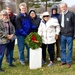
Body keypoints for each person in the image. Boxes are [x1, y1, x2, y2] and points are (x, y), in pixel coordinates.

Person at [59, 3, 75, 68]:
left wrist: (74, 34)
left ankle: (68, 62)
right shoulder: (60, 16)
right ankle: (63, 61)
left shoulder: (71, 14)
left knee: (70, 49)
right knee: (63, 49)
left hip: (69, 35)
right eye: (61, 7)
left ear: (66, 7)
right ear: (60, 8)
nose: (63, 8)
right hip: (62, 35)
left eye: (64, 7)